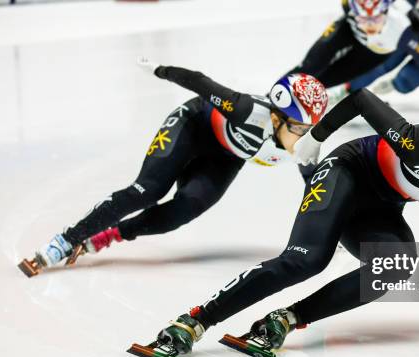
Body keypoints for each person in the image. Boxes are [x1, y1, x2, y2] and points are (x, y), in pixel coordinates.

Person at [145, 89, 419, 357]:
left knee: (395, 265)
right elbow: (360, 98)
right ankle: (196, 319)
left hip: (381, 206)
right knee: (305, 260)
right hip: (346, 172)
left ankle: (285, 320)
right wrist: (315, 138)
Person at [17, 59, 328, 277]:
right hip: (192, 127)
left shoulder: (304, 145)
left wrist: (326, 236)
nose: (305, 136)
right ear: (275, 118)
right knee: (147, 191)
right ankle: (65, 240)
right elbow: (199, 82)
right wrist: (160, 70)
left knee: (185, 210)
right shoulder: (246, 110)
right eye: (300, 128)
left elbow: (317, 194)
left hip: (224, 157)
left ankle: (106, 237)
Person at [286, 0, 419, 102]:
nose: (369, 26)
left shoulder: (401, 31)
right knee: (309, 66)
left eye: (375, 19)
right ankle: (275, 95)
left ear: (386, 13)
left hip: (373, 54)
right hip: (349, 31)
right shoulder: (349, 5)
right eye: (364, 19)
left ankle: (295, 100)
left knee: (324, 81)